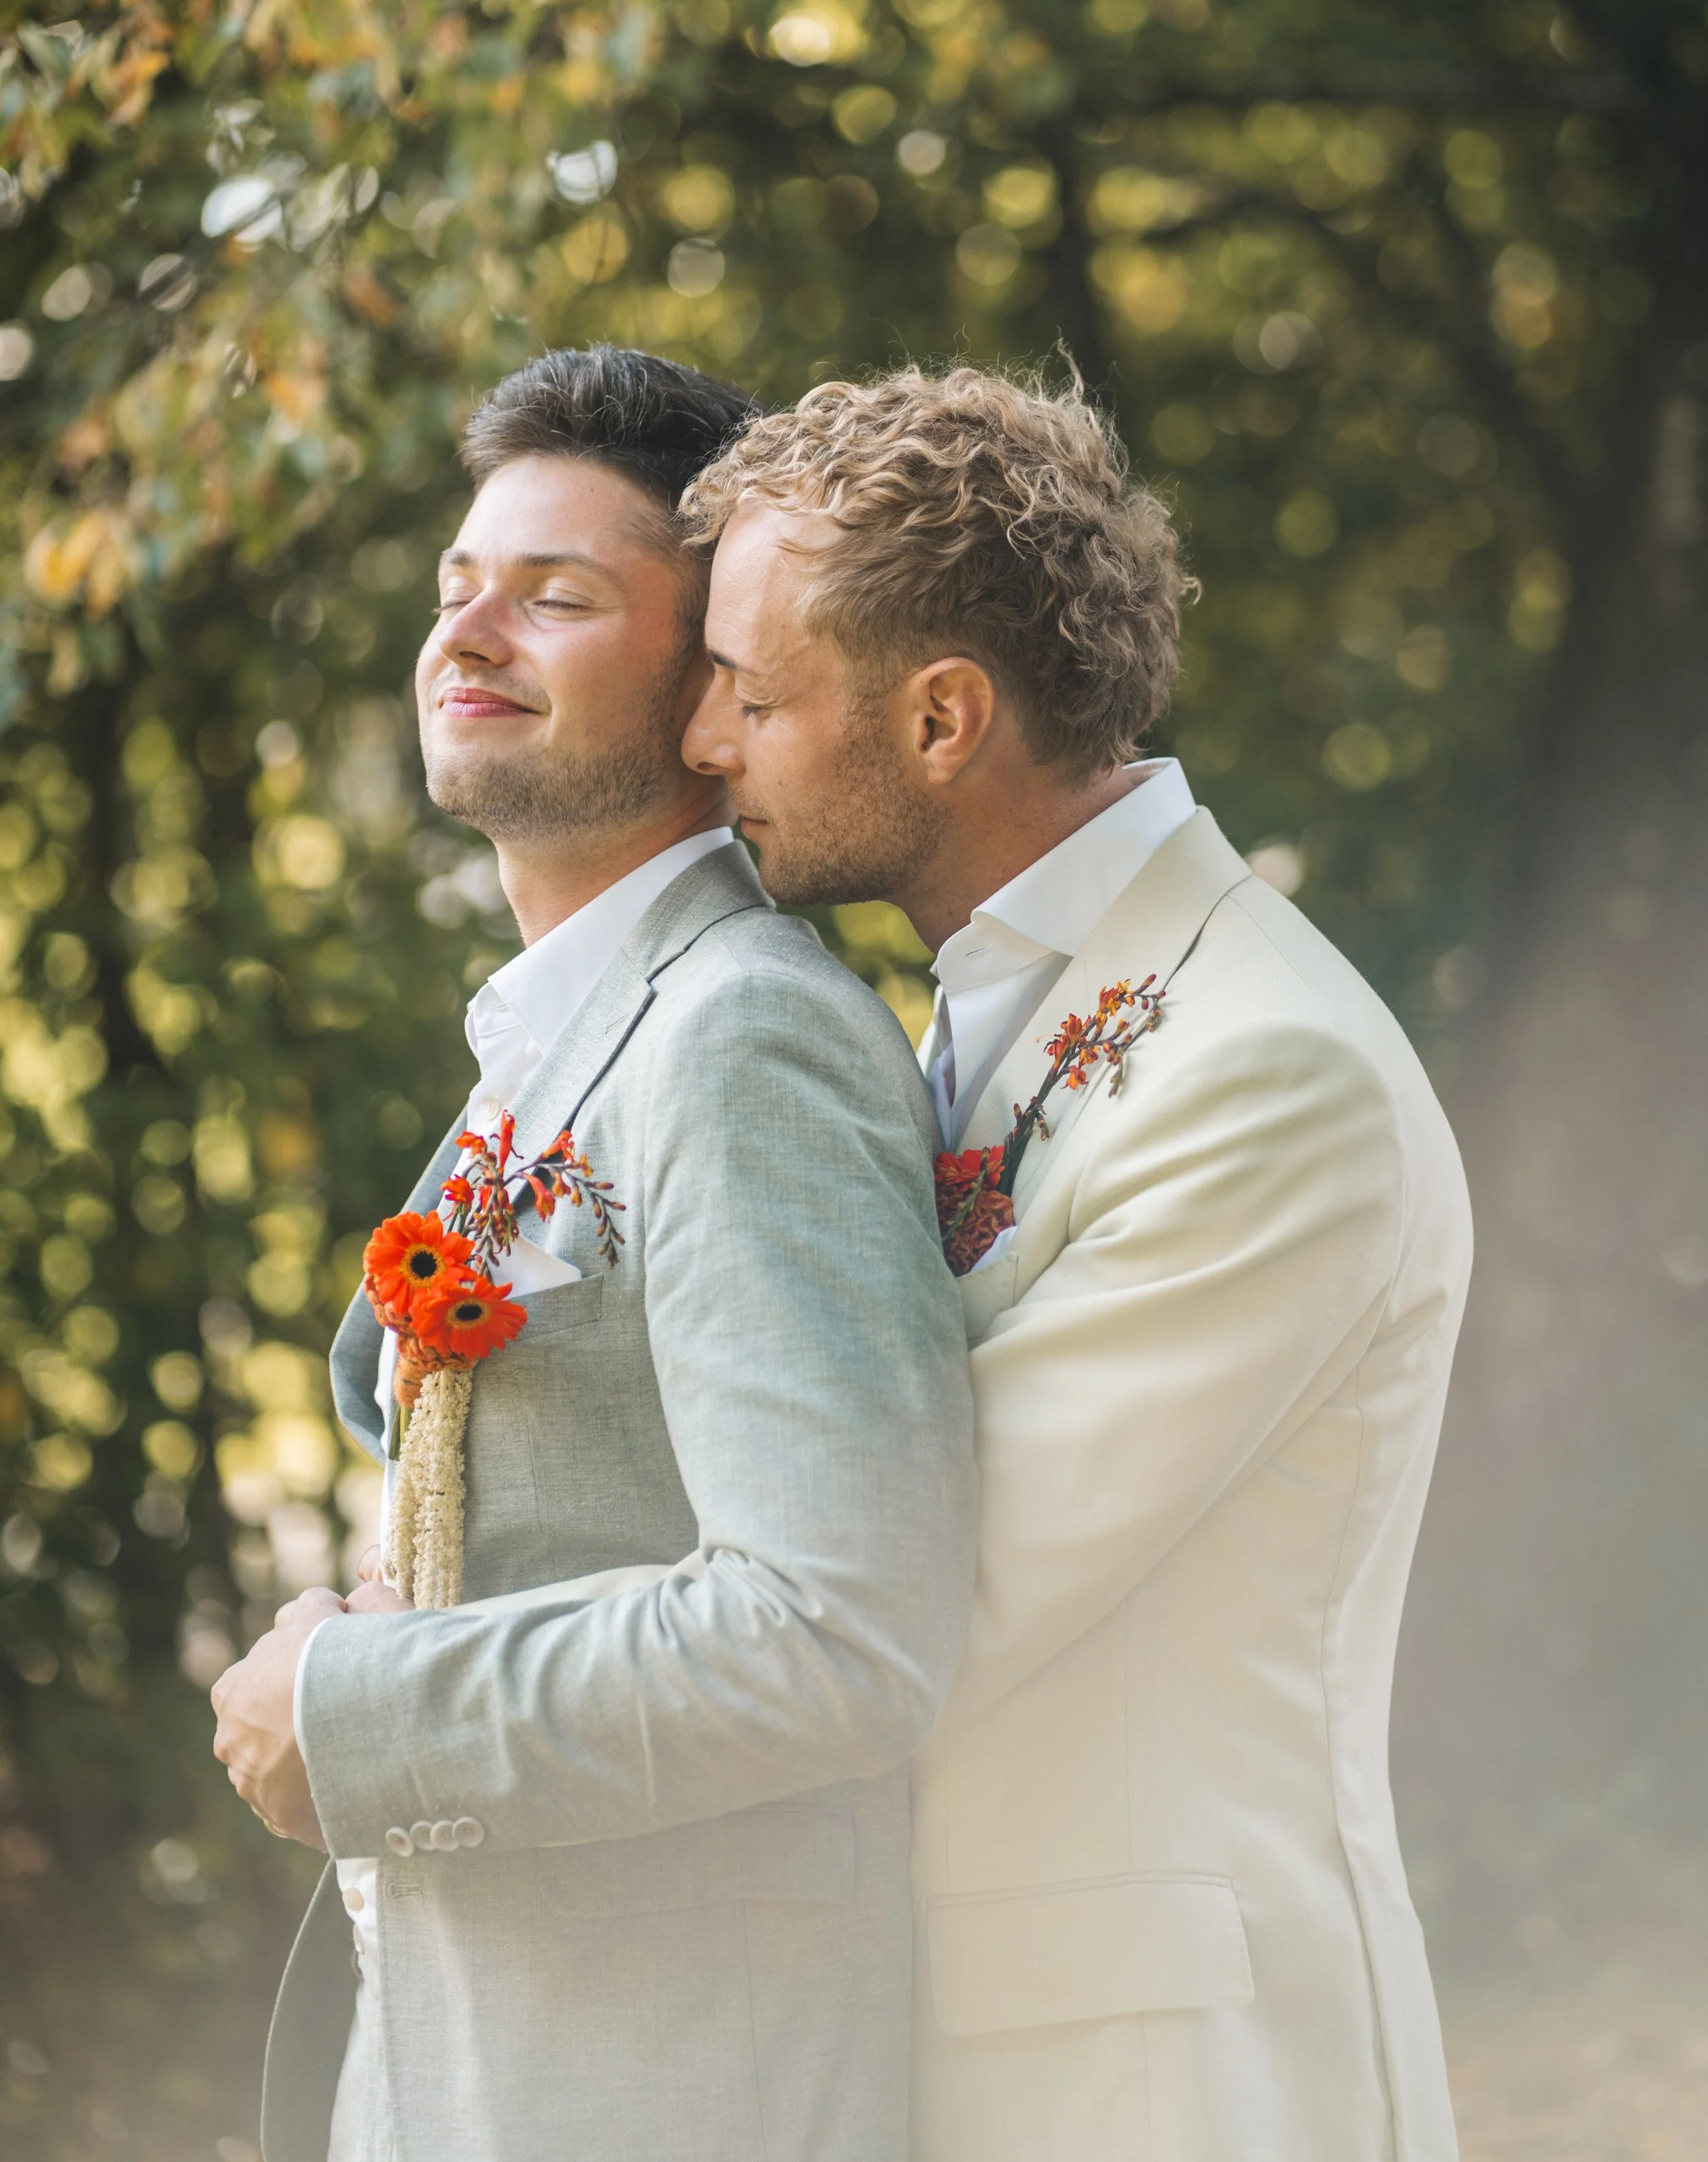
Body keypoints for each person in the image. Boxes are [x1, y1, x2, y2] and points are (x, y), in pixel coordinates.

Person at [681, 363, 1472, 2162]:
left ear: (943, 717)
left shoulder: (1265, 1071)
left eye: (753, 690)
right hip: (949, 2040)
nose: (707, 739)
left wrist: (449, 1667)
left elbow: (910, 1578)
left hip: (1161, 2079)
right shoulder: (965, 1001)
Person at [209, 346, 977, 2162]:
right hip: (475, 2069)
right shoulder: (553, 1048)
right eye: (458, 586)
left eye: (557, 596)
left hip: (674, 2084)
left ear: (716, 683)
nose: (471, 631)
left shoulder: (743, 1039)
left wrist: (356, 1710)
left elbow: (835, 1628)